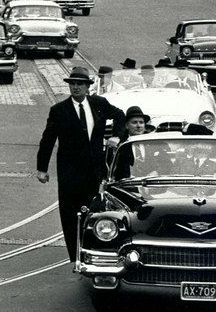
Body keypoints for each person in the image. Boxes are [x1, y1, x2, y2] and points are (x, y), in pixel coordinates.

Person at [36, 67, 125, 261]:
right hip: (70, 173)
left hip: (94, 170)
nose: (76, 88)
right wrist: (41, 168)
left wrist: (117, 136)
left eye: (80, 84)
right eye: (73, 84)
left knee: (95, 211)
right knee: (70, 214)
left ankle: (94, 250)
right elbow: (48, 139)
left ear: (87, 87)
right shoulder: (59, 110)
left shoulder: (99, 104)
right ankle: (75, 255)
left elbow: (120, 116)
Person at [113, 106, 151, 179]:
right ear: (127, 125)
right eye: (134, 122)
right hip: (127, 185)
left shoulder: (151, 143)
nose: (138, 126)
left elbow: (164, 163)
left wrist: (156, 171)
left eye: (141, 122)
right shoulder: (120, 145)